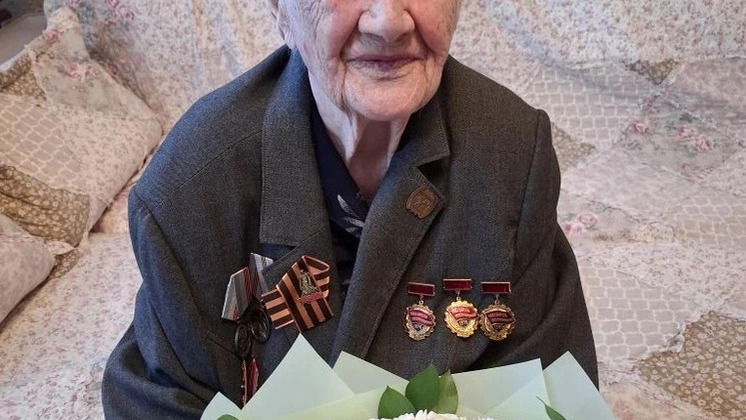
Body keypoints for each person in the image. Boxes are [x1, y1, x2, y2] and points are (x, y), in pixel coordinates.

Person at [102, 0, 598, 419]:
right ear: (279, 10)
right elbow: (162, 398)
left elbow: (548, 381)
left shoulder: (513, 154)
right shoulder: (191, 189)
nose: (388, 22)